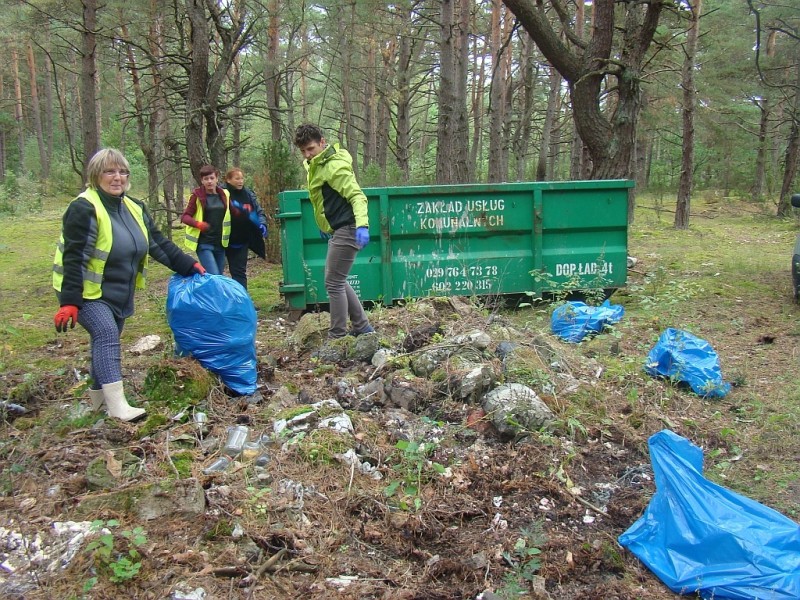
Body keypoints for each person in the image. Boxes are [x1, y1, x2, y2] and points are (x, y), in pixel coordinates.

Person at [53, 148, 206, 421]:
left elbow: (158, 244)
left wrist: (189, 265)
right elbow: (74, 258)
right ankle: (118, 407)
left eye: (122, 172)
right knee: (106, 334)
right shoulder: (84, 208)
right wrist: (69, 301)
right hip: (86, 291)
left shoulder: (134, 207)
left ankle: (99, 402)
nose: (117, 178)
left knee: (104, 341)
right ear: (95, 175)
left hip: (118, 291)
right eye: (109, 171)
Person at [293, 124, 374, 339]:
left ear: (323, 142)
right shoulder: (316, 164)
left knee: (333, 282)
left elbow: (357, 196)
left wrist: (363, 226)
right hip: (338, 228)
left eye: (310, 149)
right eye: (303, 151)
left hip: (350, 228)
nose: (307, 155)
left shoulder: (334, 167)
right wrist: (325, 225)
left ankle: (337, 335)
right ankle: (362, 326)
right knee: (337, 279)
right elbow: (321, 200)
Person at [221, 167, 268, 290]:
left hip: (242, 240)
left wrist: (262, 224)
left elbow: (258, 211)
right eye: (237, 178)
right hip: (222, 241)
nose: (240, 181)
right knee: (216, 273)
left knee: (239, 272)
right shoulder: (221, 194)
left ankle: (242, 303)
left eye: (242, 178)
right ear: (228, 180)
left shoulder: (248, 194)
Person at [180, 164, 231, 275]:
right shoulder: (197, 196)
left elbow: (232, 213)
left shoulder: (225, 194)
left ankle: (204, 292)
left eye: (212, 178)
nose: (209, 181)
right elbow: (185, 217)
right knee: (214, 276)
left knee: (218, 276)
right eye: (206, 179)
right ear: (202, 181)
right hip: (204, 243)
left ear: (217, 179)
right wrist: (198, 224)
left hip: (220, 243)